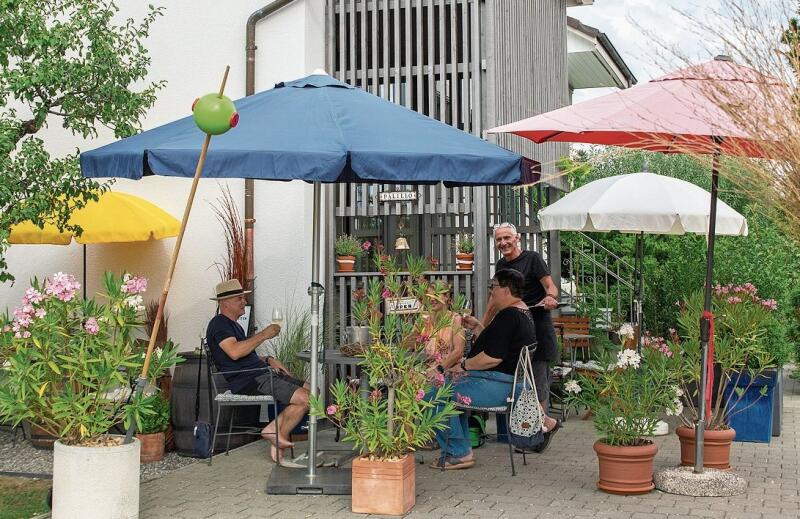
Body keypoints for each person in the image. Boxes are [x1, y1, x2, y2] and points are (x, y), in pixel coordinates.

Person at [427, 269, 535, 470]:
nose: (491, 292)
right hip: (507, 382)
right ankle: (459, 449)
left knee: (433, 395)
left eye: (493, 287)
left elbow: (492, 358)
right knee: (447, 388)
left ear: (505, 289)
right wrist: (478, 327)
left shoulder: (509, 317)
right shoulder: (521, 312)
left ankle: (458, 453)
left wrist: (464, 365)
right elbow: (501, 345)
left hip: (500, 385)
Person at [205, 279, 310, 463]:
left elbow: (243, 354)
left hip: (261, 373)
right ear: (224, 303)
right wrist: (264, 334)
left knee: (312, 390)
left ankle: (275, 432)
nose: (244, 302)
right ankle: (275, 433)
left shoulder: (234, 325)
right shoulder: (219, 324)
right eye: (239, 299)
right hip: (250, 380)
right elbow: (235, 352)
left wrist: (269, 359)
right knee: (306, 398)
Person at [487, 222, 561, 449]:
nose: (503, 243)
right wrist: (483, 323)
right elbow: (494, 300)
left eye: (507, 238)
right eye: (499, 239)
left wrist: (549, 297)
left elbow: (551, 286)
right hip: (515, 334)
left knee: (538, 384)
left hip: (538, 330)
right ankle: (534, 429)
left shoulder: (533, 259)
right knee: (521, 385)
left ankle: (537, 437)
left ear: (517, 238)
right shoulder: (500, 264)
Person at [423, 284, 466, 376]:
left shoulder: (455, 319)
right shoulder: (426, 321)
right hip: (429, 370)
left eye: (436, 295)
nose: (432, 299)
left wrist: (439, 370)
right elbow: (409, 345)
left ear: (446, 297)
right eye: (429, 296)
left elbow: (459, 351)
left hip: (450, 371)